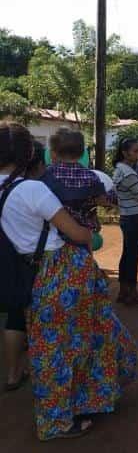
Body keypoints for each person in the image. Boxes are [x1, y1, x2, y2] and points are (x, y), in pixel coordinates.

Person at [0, 122, 137, 441]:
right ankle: (59, 419)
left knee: (53, 344)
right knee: (83, 338)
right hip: (62, 271)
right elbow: (76, 233)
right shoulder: (32, 189)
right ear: (30, 153)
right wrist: (90, 232)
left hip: (29, 271)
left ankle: (74, 404)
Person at [2, 141, 45, 393]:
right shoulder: (31, 189)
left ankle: (12, 373)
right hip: (27, 259)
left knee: (14, 317)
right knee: (35, 316)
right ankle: (43, 377)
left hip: (5, 258)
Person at [41, 128, 107, 252]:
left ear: (53, 153)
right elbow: (102, 200)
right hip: (83, 238)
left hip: (52, 238)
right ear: (82, 153)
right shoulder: (91, 176)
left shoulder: (45, 175)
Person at [112, 138, 138, 306]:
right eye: (135, 151)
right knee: (133, 255)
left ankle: (125, 291)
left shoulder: (120, 169)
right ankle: (131, 292)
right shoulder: (127, 172)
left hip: (127, 216)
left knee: (128, 254)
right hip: (134, 217)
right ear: (125, 153)